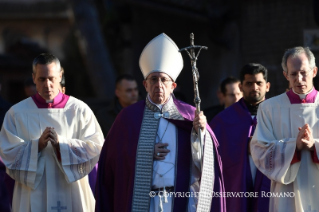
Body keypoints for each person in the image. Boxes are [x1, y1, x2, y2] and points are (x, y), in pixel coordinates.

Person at [95, 33, 225, 212]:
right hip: (142, 202)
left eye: (164, 79)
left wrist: (201, 135)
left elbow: (209, 164)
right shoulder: (128, 117)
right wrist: (143, 152)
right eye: (153, 79)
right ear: (145, 84)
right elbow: (110, 162)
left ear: (173, 86)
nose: (158, 84)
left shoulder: (189, 115)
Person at [0, 53, 104, 212]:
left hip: (72, 190)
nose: (47, 85)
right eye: (42, 79)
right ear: (34, 78)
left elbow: (96, 148)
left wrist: (62, 145)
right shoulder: (17, 113)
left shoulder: (79, 110)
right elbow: (7, 152)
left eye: (52, 78)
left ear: (60, 76)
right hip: (33, 192)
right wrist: (37, 146)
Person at [250, 47, 319, 212]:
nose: (299, 79)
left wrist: (314, 146)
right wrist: (294, 146)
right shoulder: (269, 108)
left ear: (314, 71)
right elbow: (259, 150)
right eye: (293, 74)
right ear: (286, 75)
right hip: (286, 193)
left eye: (304, 72)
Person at [210, 64, 271, 212]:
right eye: (249, 83)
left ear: (267, 86)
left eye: (259, 83)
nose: (254, 87)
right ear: (241, 86)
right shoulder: (224, 120)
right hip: (236, 188)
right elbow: (211, 155)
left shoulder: (277, 115)